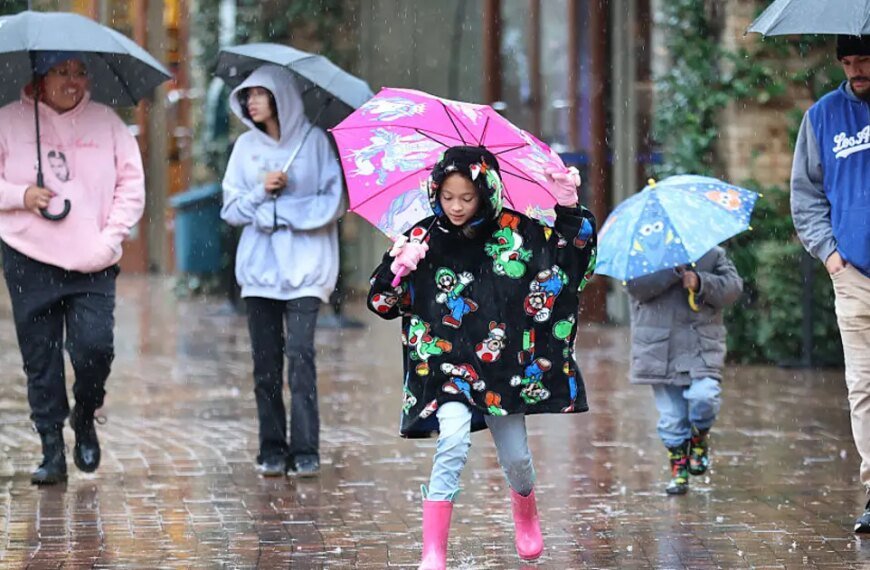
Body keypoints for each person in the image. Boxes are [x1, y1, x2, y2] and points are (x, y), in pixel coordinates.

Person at [366, 146, 596, 568]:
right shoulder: (422, 236)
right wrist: (397, 269)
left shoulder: (519, 231)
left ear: (487, 192)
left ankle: (525, 508)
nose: (455, 207)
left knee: (516, 458)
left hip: (503, 368)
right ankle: (433, 550)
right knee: (451, 441)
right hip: (446, 365)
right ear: (435, 191)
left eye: (466, 198)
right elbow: (382, 302)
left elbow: (571, 266)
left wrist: (569, 207)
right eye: (447, 196)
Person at [0, 51, 145, 484]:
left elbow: (131, 185)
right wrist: (19, 194)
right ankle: (51, 448)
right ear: (39, 78)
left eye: (80, 73)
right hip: (29, 256)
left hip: (94, 260)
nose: (73, 81)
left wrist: (110, 238)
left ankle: (85, 414)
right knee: (40, 359)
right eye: (62, 72)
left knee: (94, 348)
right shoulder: (8, 120)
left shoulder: (109, 124)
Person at [221, 65, 344, 478]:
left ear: (281, 97)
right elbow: (231, 210)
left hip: (307, 270)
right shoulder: (243, 149)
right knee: (266, 364)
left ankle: (306, 449)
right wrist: (261, 192)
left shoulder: (315, 143)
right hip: (259, 273)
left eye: (260, 93)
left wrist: (282, 211)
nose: (250, 101)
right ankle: (271, 448)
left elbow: (333, 204)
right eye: (247, 95)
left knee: (301, 357)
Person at [791, 34, 870, 532]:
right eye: (847, 62)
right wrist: (832, 257)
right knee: (863, 388)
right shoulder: (822, 116)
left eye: (863, 60)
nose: (854, 70)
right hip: (854, 278)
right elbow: (806, 193)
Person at [624, 249, 742, 495]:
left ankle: (700, 436)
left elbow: (733, 288)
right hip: (659, 350)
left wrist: (700, 281)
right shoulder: (643, 254)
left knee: (705, 396)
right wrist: (671, 272)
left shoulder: (711, 253)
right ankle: (679, 470)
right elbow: (636, 288)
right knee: (672, 417)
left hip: (701, 345)